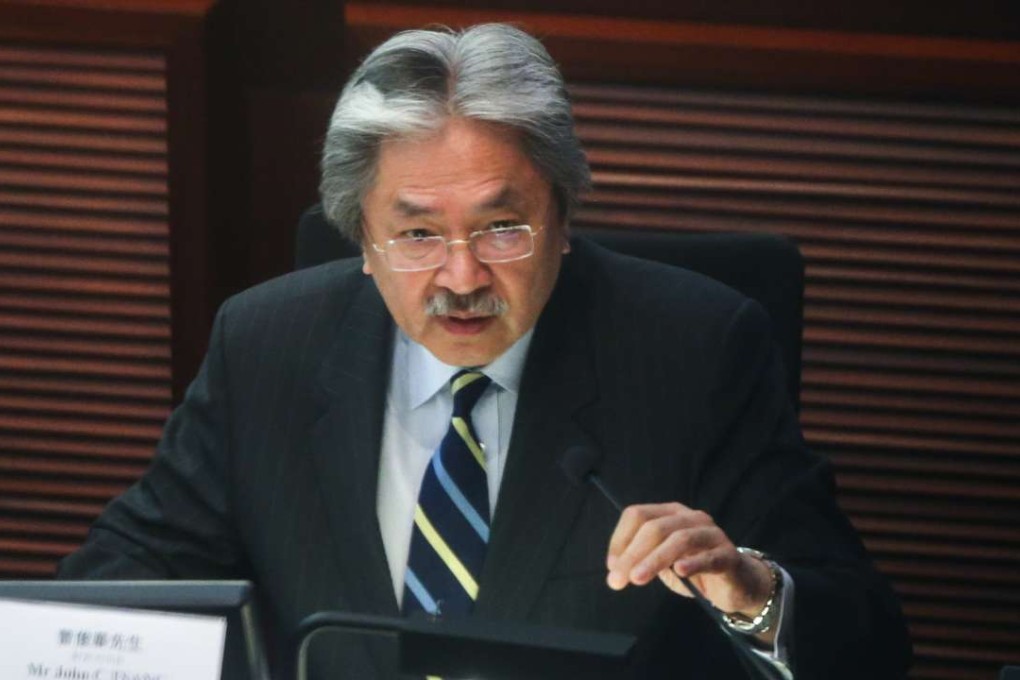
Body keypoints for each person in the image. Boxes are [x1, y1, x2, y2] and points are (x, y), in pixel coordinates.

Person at [58, 23, 911, 680]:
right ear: (360, 237)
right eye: (418, 233)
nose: (460, 277)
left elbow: (865, 644)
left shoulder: (696, 349)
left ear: (564, 219)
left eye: (503, 227)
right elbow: (119, 592)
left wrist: (749, 594)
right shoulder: (267, 345)